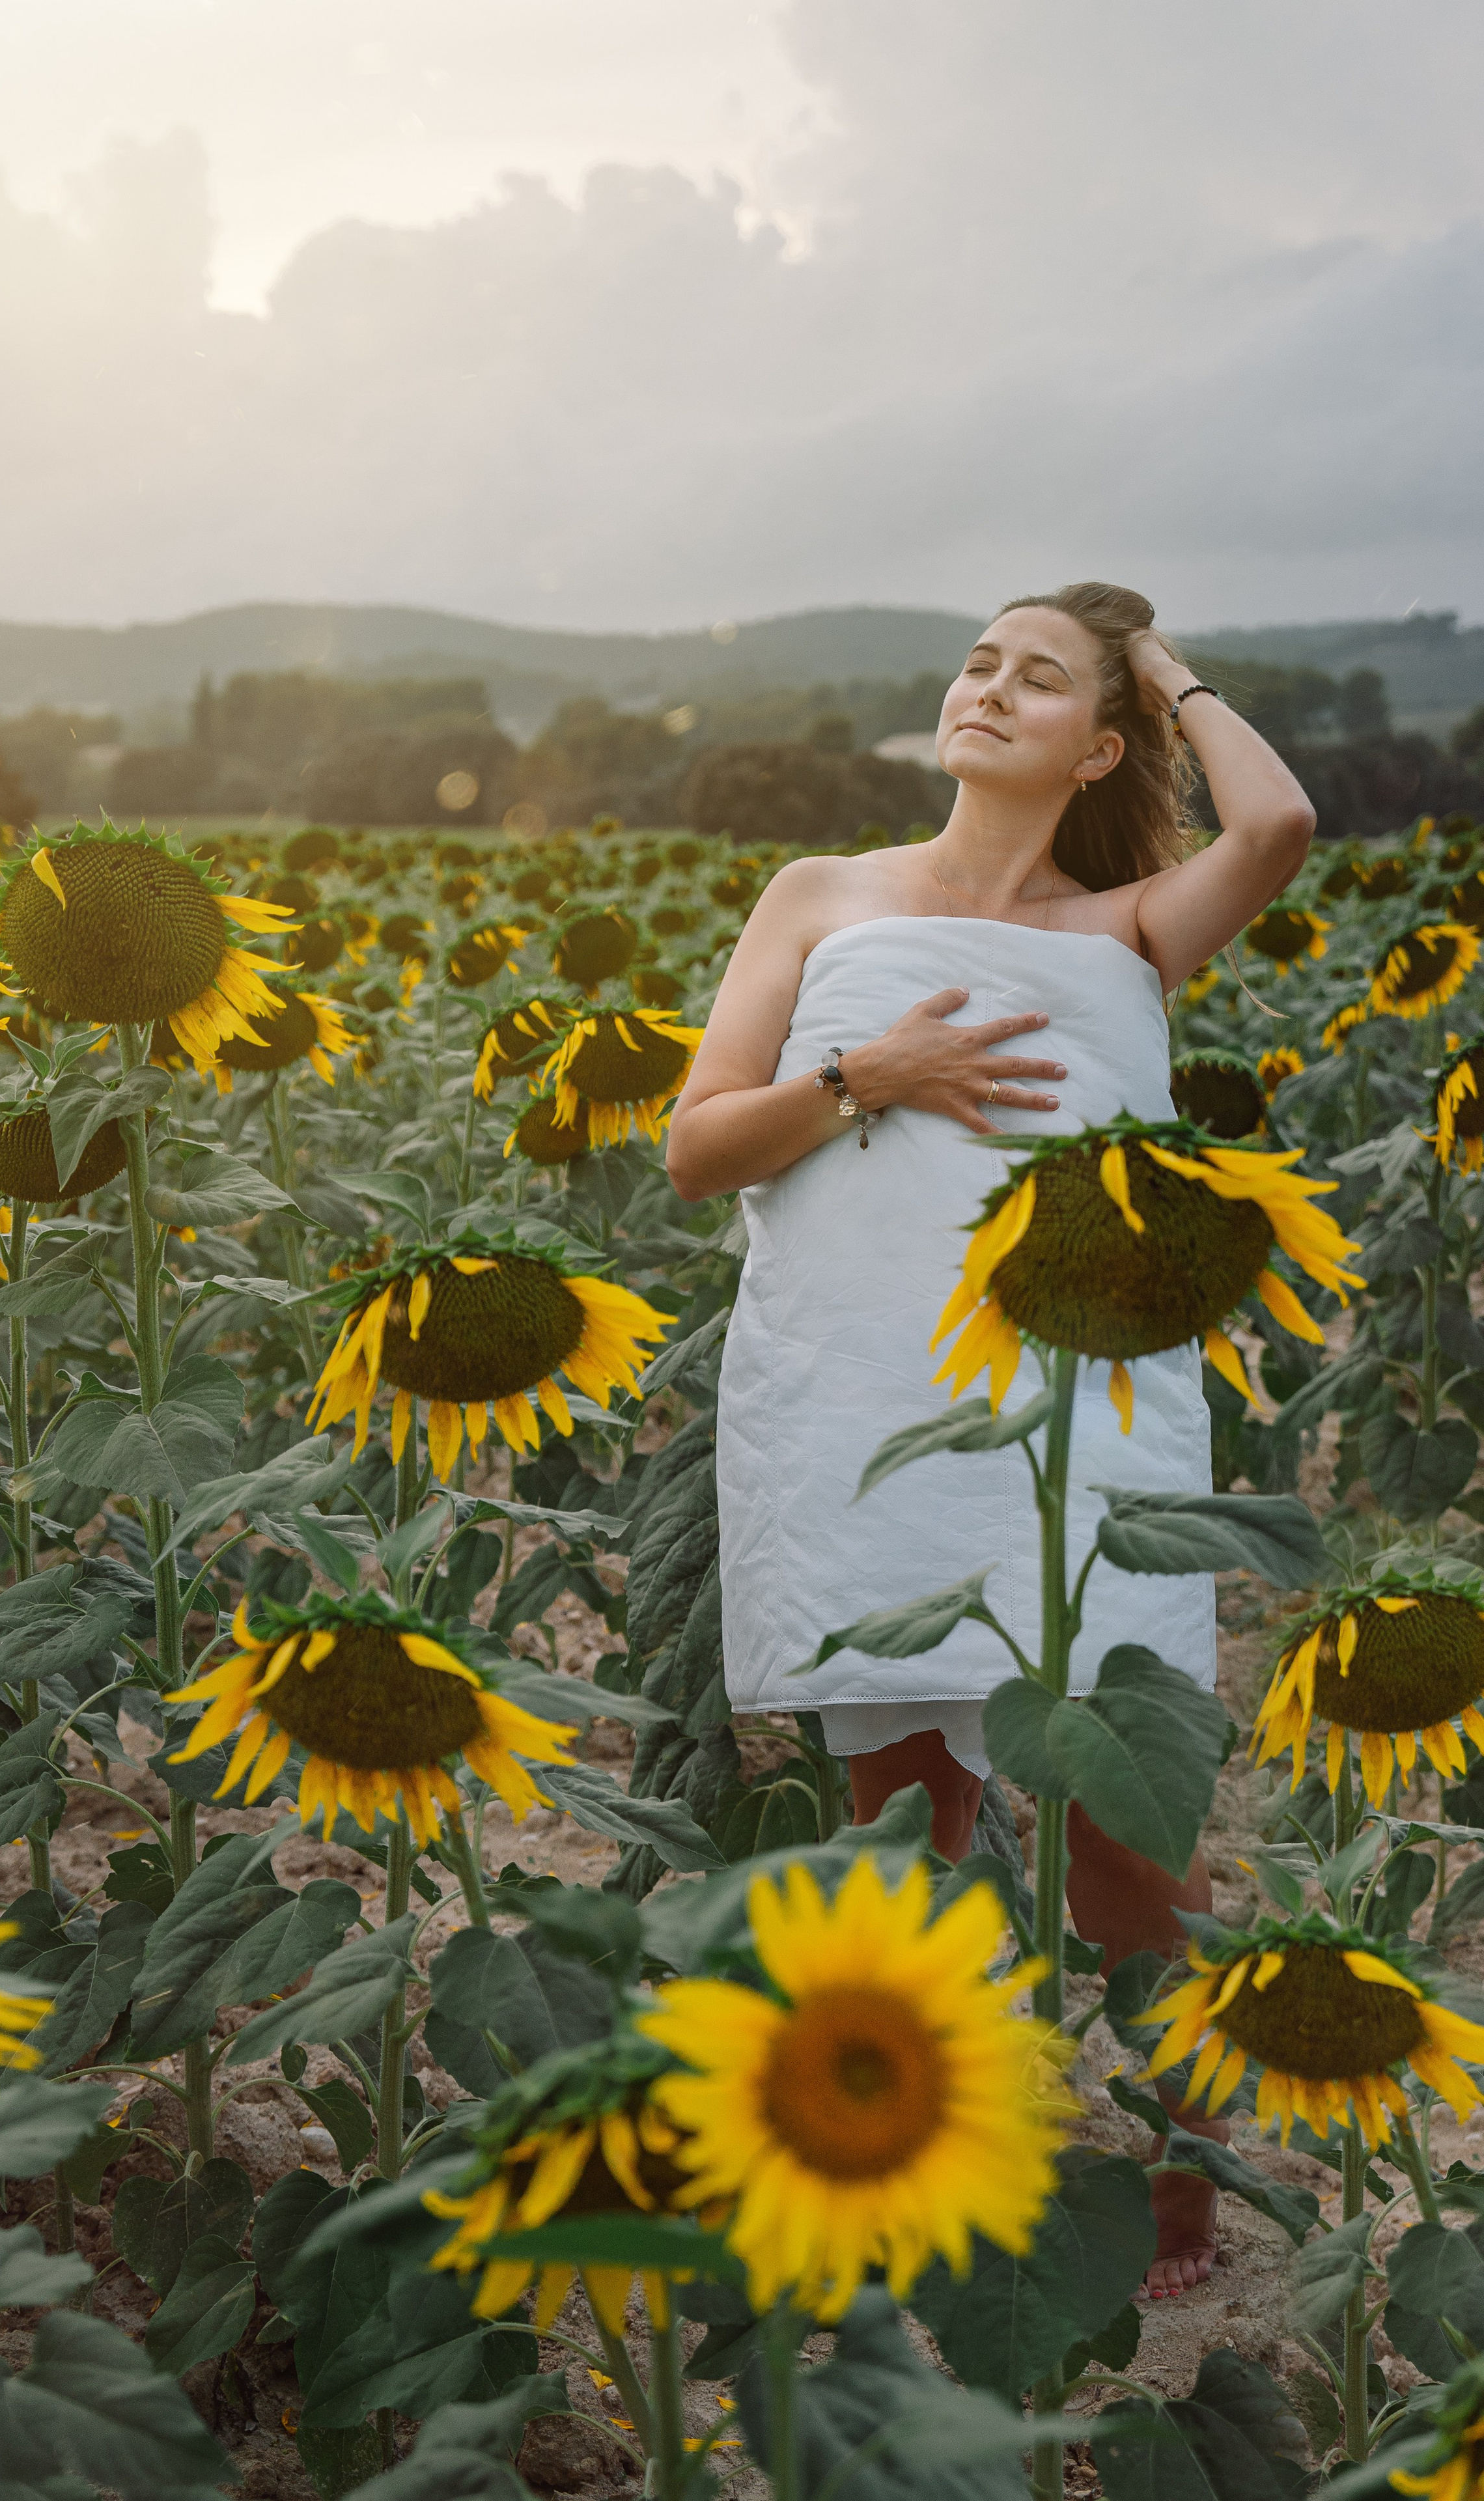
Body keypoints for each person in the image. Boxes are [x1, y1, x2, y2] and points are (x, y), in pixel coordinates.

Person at [664, 581, 1315, 2302]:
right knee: (907, 1840)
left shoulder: (1132, 930)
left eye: (1040, 677)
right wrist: (867, 1075)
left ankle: (1179, 2182)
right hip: (866, 1396)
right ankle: (912, 2174)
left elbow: (1284, 819)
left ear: (1105, 740)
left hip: (1080, 1410)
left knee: (1123, 1832)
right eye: (977, 658)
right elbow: (699, 1144)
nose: (987, 686)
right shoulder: (818, 895)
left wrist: (1157, 650)